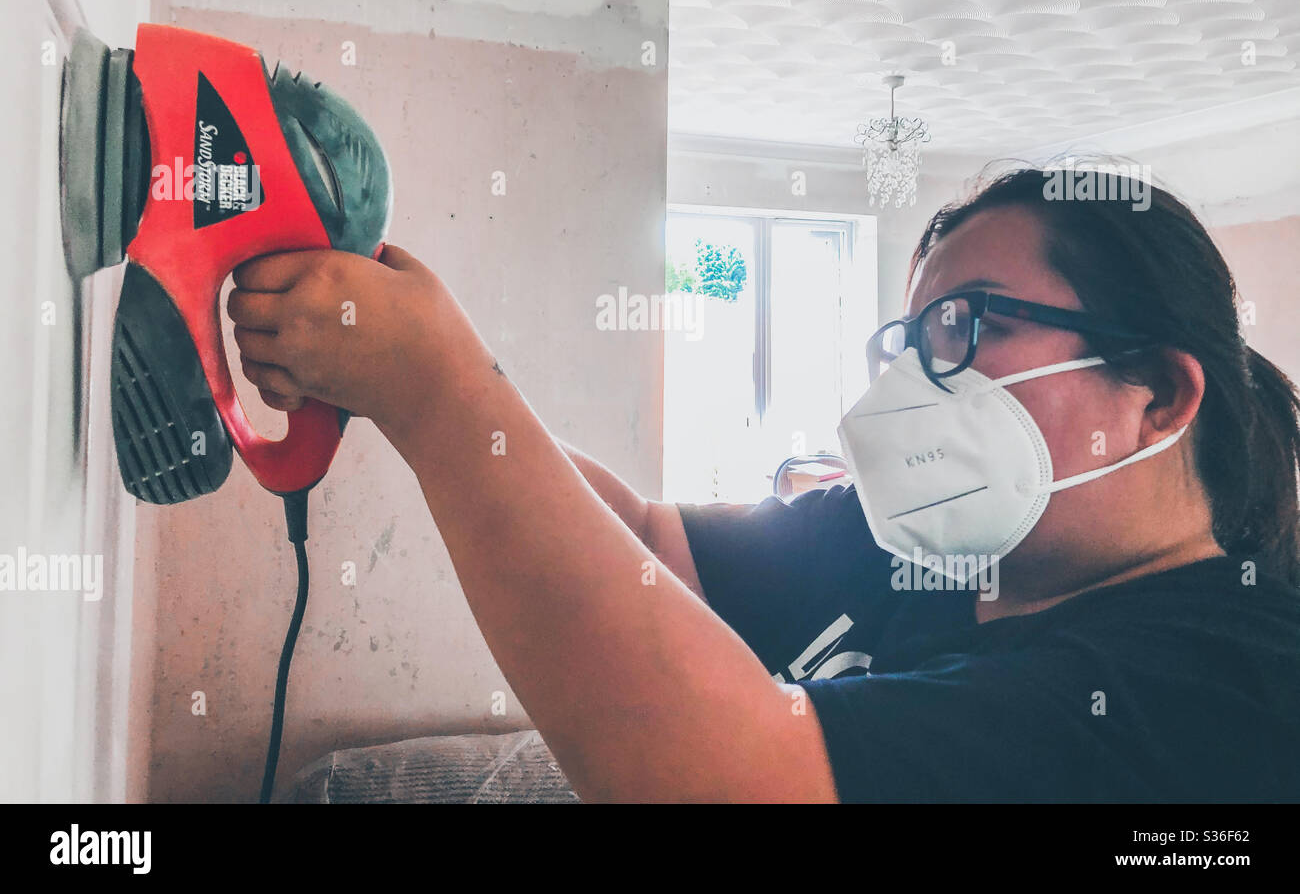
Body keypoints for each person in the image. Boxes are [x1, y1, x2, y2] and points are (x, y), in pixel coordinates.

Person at [228, 164, 1300, 803]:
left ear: (1156, 395)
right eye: (909, 338)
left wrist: (438, 394)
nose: (914, 387)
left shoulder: (1228, 685)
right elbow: (651, 545)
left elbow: (736, 783)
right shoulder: (924, 548)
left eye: (967, 325)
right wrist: (436, 376)